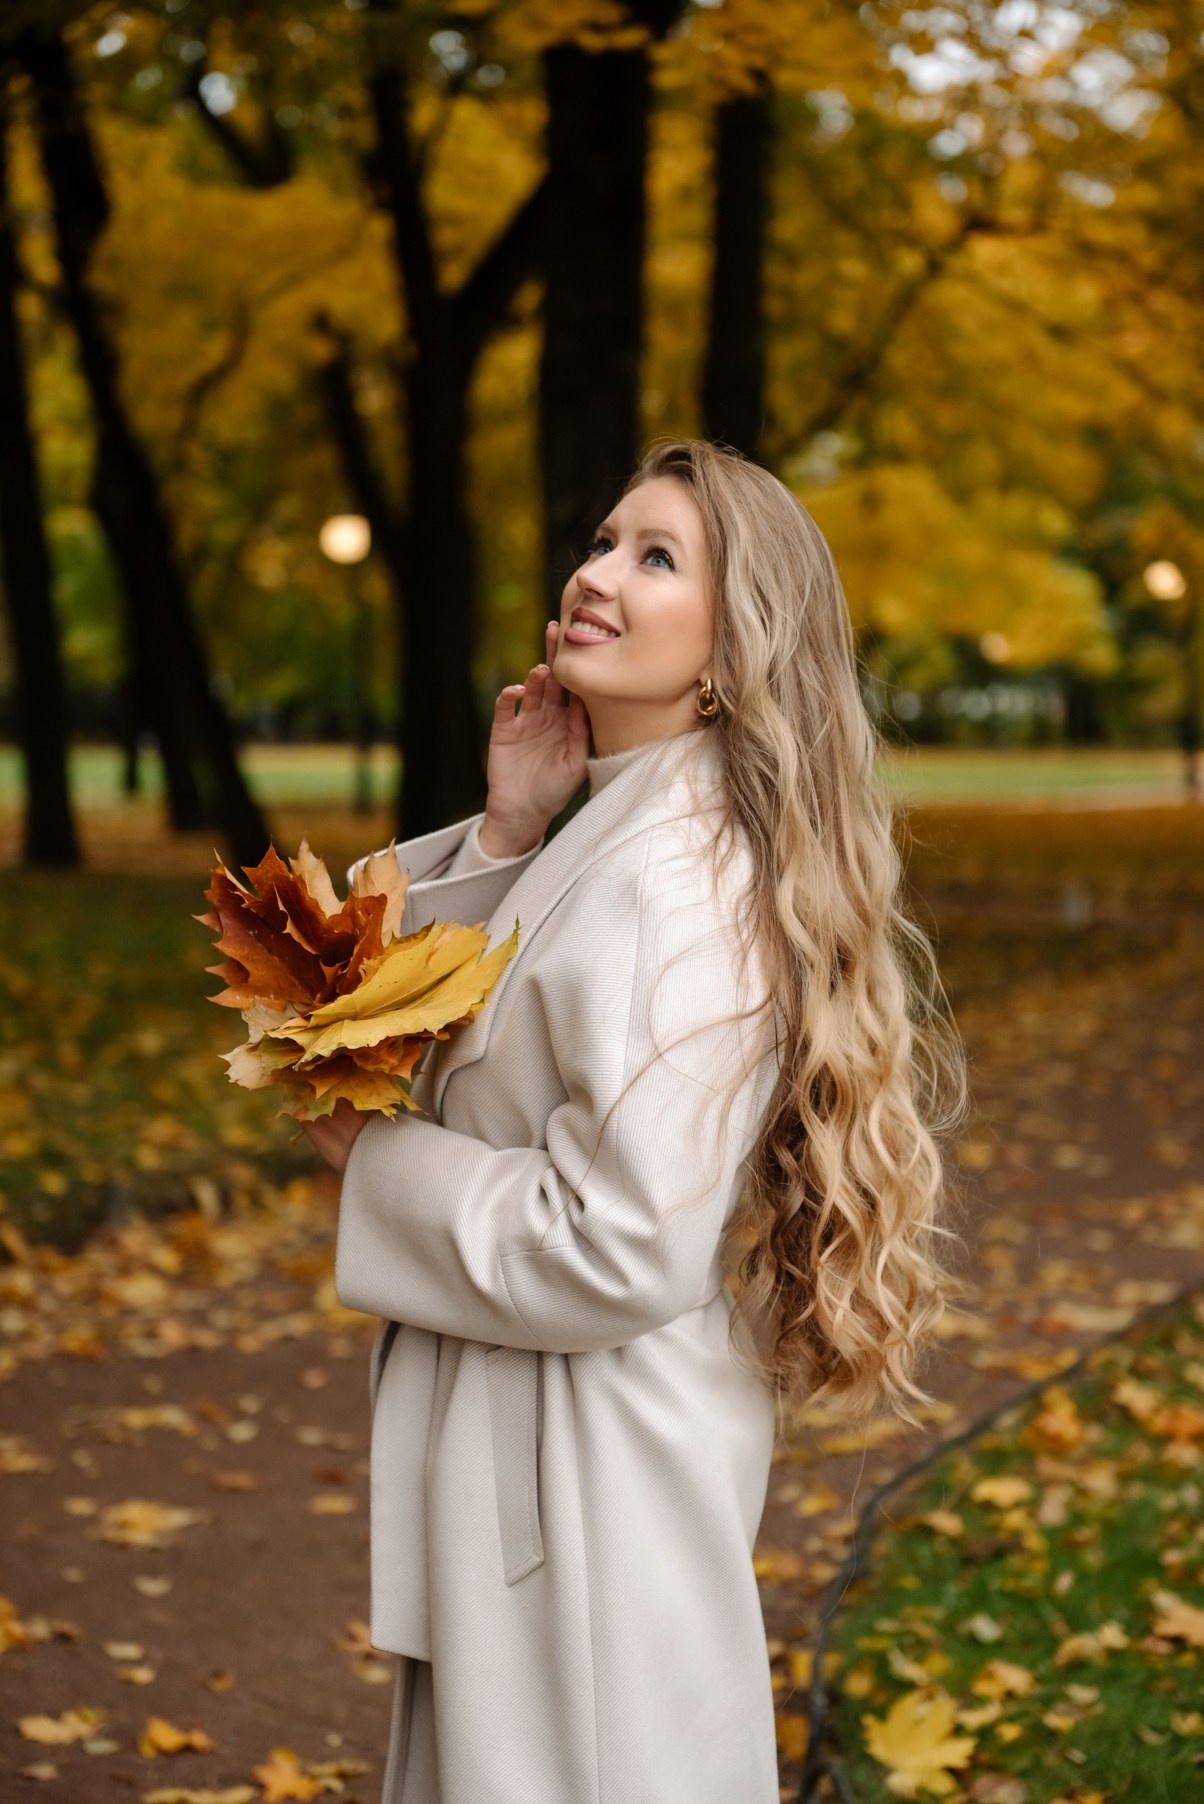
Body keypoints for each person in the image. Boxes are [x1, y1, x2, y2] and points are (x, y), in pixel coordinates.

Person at [302, 439, 964, 1804]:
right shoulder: (617, 830)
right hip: (544, 1451)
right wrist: (504, 827)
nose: (596, 575)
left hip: (584, 1479)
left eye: (656, 558)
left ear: (730, 654)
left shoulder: (682, 877)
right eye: (604, 542)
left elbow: (621, 1248)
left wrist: (383, 1165)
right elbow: (447, 1026)